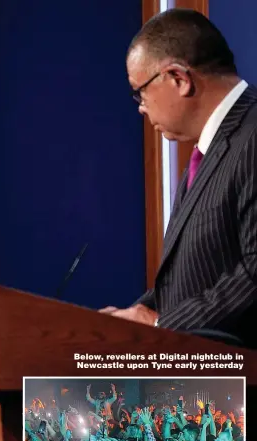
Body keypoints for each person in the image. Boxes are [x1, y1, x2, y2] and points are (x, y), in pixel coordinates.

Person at [99, 8, 257, 348]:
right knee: (45, 399)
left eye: (139, 91)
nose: (140, 107)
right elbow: (197, 277)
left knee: (55, 403)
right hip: (195, 375)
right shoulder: (205, 152)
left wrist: (160, 323)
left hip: (235, 389)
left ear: (179, 78)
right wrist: (134, 315)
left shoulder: (253, 135)